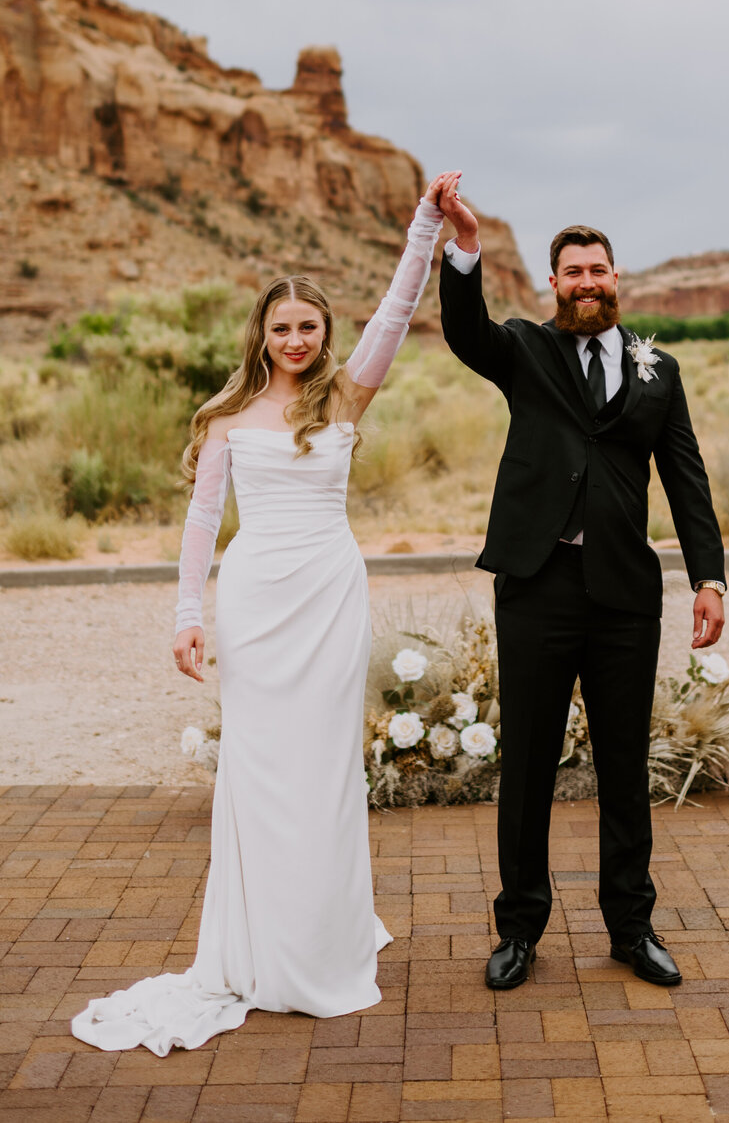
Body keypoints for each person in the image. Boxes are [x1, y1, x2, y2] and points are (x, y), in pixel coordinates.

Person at [70, 173, 454, 1055]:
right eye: (280, 327)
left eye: (308, 327)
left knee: (324, 772)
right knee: (260, 771)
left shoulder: (347, 398)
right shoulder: (228, 416)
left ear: (324, 336)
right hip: (254, 601)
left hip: (328, 594)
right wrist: (184, 615)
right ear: (262, 334)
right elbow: (203, 521)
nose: (293, 339)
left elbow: (396, 313)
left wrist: (423, 229)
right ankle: (260, 943)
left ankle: (323, 939)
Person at [435, 174, 726, 993]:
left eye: (600, 271)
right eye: (574, 273)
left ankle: (631, 928)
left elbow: (686, 477)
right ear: (553, 283)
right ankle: (519, 930)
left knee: (625, 767)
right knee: (527, 763)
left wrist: (710, 576)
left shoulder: (657, 370)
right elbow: (464, 332)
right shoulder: (525, 350)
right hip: (537, 585)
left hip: (625, 596)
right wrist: (463, 247)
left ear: (617, 279)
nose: (588, 284)